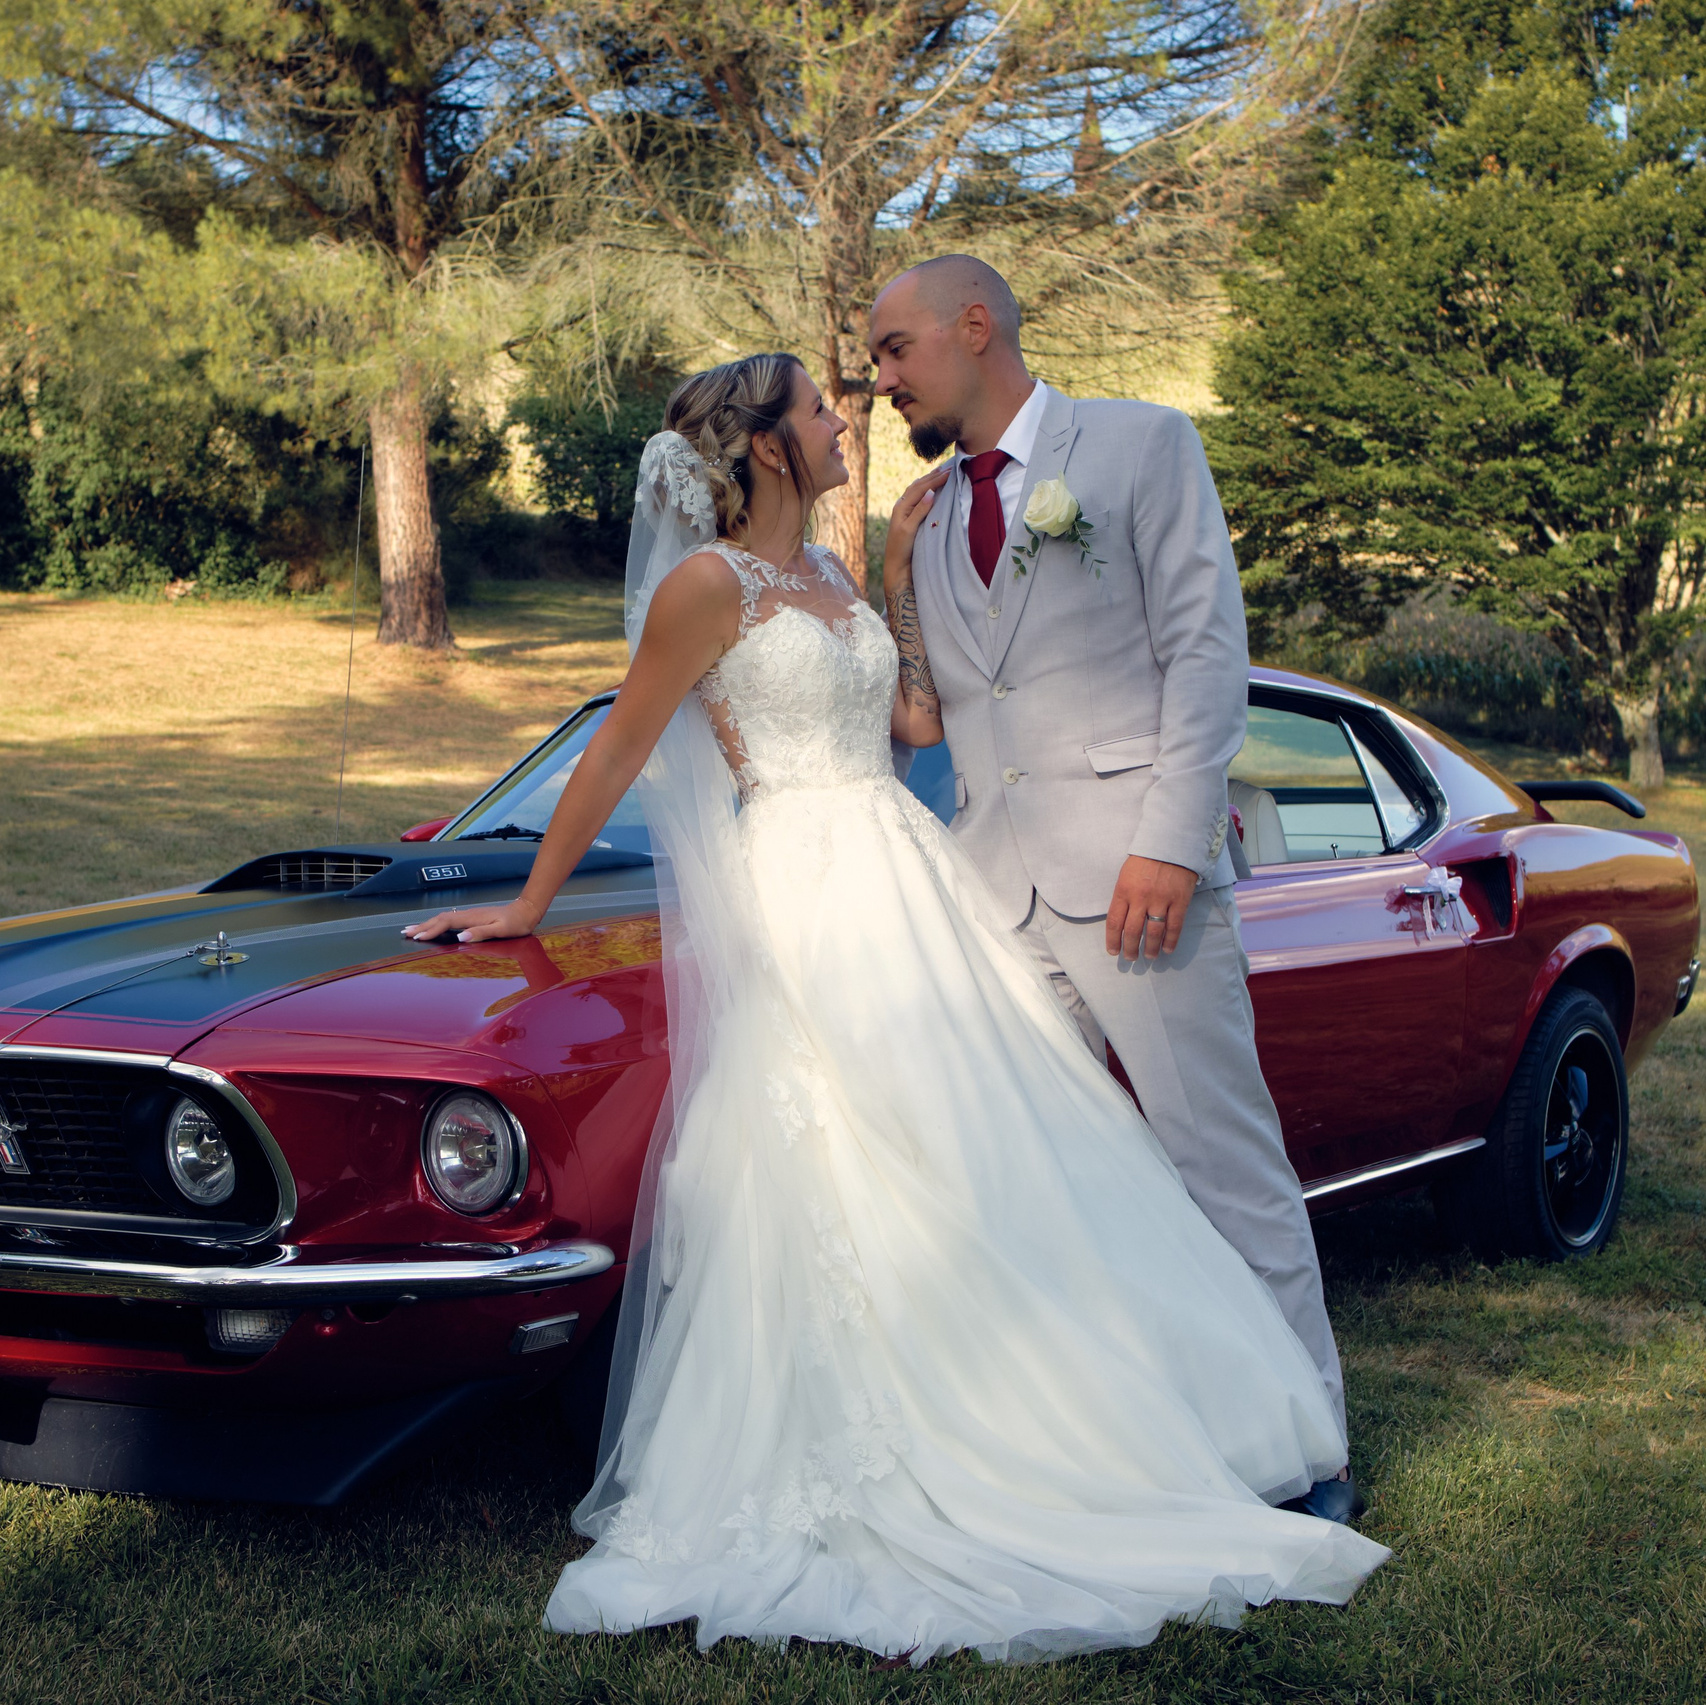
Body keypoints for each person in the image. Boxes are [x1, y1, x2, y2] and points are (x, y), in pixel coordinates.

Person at [403, 351, 1387, 1664]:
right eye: (818, 409)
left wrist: (901, 584)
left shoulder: (829, 570)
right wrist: (527, 901)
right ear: (766, 445)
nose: (842, 418)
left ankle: (1081, 1416)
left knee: (996, 1152)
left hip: (906, 873)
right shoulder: (708, 587)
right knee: (853, 1153)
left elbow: (912, 722)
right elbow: (620, 746)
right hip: (805, 888)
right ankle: (902, 1443)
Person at [870, 255, 1359, 1524]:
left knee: (1219, 1161)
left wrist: (1170, 844)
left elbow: (1203, 652)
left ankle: (1309, 1453)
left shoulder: (1143, 447)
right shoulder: (927, 512)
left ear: (974, 326)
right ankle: (1099, 1446)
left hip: (1138, 883)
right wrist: (891, 574)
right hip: (996, 899)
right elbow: (936, 709)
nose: (879, 380)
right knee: (1037, 1181)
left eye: (894, 349)